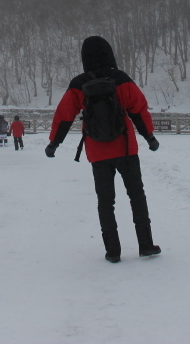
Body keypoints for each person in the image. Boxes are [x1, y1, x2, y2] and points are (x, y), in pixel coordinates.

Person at [45, 36, 161, 263]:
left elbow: (64, 117)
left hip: (97, 151)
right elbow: (139, 109)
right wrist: (150, 137)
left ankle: (112, 251)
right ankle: (146, 244)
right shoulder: (121, 79)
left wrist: (54, 144)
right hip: (126, 147)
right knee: (136, 195)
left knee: (106, 201)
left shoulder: (78, 84)